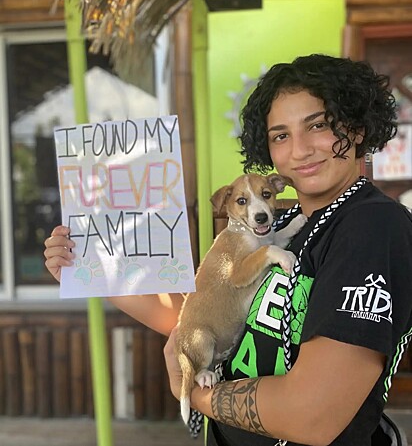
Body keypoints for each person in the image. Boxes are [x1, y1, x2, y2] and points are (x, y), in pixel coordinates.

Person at [44, 54, 412, 446]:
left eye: (318, 125)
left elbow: (313, 416)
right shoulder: (288, 227)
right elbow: (208, 310)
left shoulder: (372, 228)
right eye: (280, 135)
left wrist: (195, 393)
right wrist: (90, 270)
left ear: (355, 129)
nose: (300, 149)